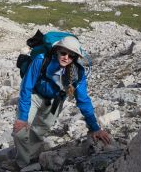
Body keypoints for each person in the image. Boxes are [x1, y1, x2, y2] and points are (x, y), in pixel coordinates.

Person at [12, 35, 111, 168]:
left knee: (38, 132)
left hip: (55, 102)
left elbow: (83, 100)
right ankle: (22, 164)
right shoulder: (41, 60)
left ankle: (31, 158)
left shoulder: (78, 73)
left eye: (71, 56)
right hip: (34, 96)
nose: (66, 58)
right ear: (57, 50)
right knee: (20, 131)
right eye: (63, 53)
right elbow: (26, 87)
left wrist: (95, 128)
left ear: (75, 57)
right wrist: (22, 117)